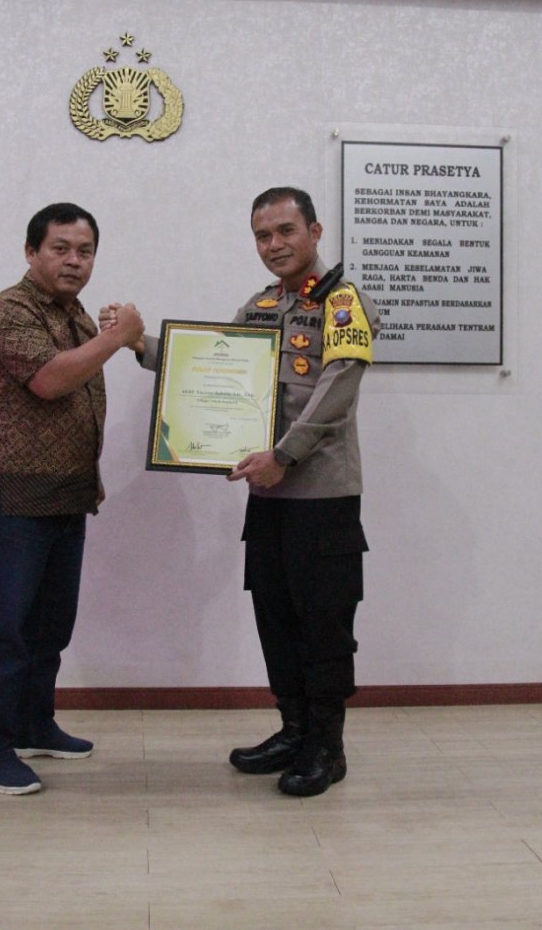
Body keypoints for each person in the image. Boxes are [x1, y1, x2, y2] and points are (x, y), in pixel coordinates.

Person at [133, 187, 379, 797]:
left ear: (315, 232)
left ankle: (327, 747)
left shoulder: (344, 302)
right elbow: (210, 365)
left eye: (285, 231)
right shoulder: (261, 305)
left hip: (322, 498)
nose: (274, 245)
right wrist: (138, 344)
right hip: (267, 499)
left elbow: (338, 389)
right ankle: (294, 731)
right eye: (263, 235)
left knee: (323, 627)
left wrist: (284, 456)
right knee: (276, 618)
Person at [0, 202, 143, 795]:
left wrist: (122, 336)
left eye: (84, 251)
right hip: (12, 502)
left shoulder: (75, 313)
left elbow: (93, 368)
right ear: (31, 251)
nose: (73, 261)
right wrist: (116, 337)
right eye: (60, 248)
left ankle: (32, 725)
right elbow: (51, 380)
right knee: (3, 634)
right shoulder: (10, 309)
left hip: (67, 497)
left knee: (48, 631)